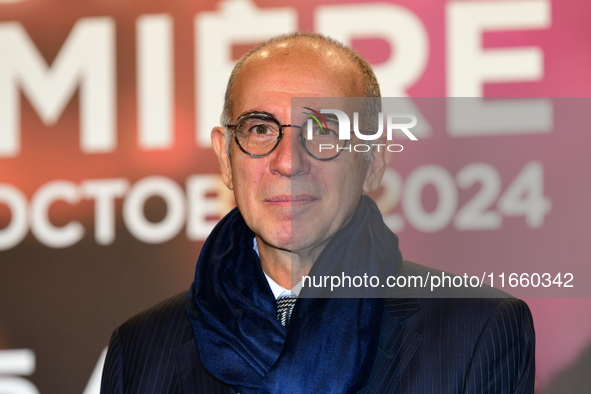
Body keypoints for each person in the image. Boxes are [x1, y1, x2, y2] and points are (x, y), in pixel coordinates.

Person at [100, 32, 535, 394]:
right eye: (260, 129)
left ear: (374, 161)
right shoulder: (142, 349)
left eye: (323, 130)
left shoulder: (476, 327)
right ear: (224, 158)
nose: (288, 162)